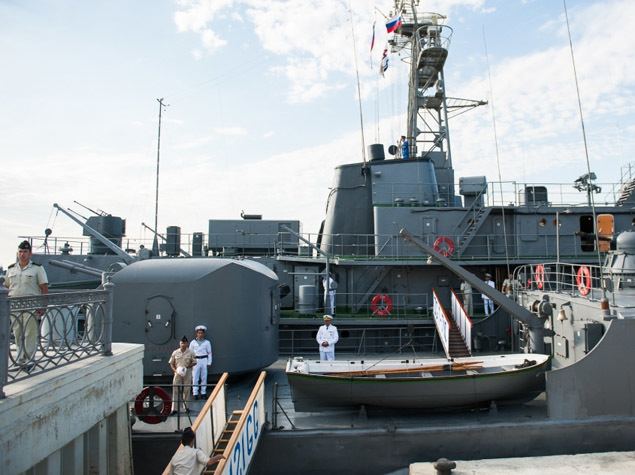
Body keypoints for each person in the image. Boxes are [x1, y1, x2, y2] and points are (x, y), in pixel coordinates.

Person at [4, 240, 48, 367]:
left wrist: (43, 306)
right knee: (17, 332)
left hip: (31, 305)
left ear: (30, 254)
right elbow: (7, 287)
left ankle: (29, 359)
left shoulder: (37, 269)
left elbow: (44, 287)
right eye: (20, 252)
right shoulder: (11, 269)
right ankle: (19, 358)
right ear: (18, 253)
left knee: (30, 333)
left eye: (25, 252)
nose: (22, 254)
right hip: (15, 305)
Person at [169, 336, 196, 414]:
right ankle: (174, 409)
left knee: (187, 390)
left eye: (184, 343)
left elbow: (195, 362)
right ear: (179, 343)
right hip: (177, 374)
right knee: (175, 390)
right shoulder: (175, 352)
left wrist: (186, 367)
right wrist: (176, 371)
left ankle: (186, 407)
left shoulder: (191, 352)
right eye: (182, 343)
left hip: (187, 373)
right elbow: (171, 363)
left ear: (187, 343)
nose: (183, 344)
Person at [190, 325, 212, 400]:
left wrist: (209, 362)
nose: (200, 334)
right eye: (199, 333)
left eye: (201, 333)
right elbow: (190, 353)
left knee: (204, 377)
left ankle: (203, 393)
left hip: (204, 360)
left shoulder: (207, 342)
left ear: (204, 334)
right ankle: (195, 393)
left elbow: (209, 353)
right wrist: (192, 362)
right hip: (196, 361)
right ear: (196, 333)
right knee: (195, 377)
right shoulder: (193, 342)